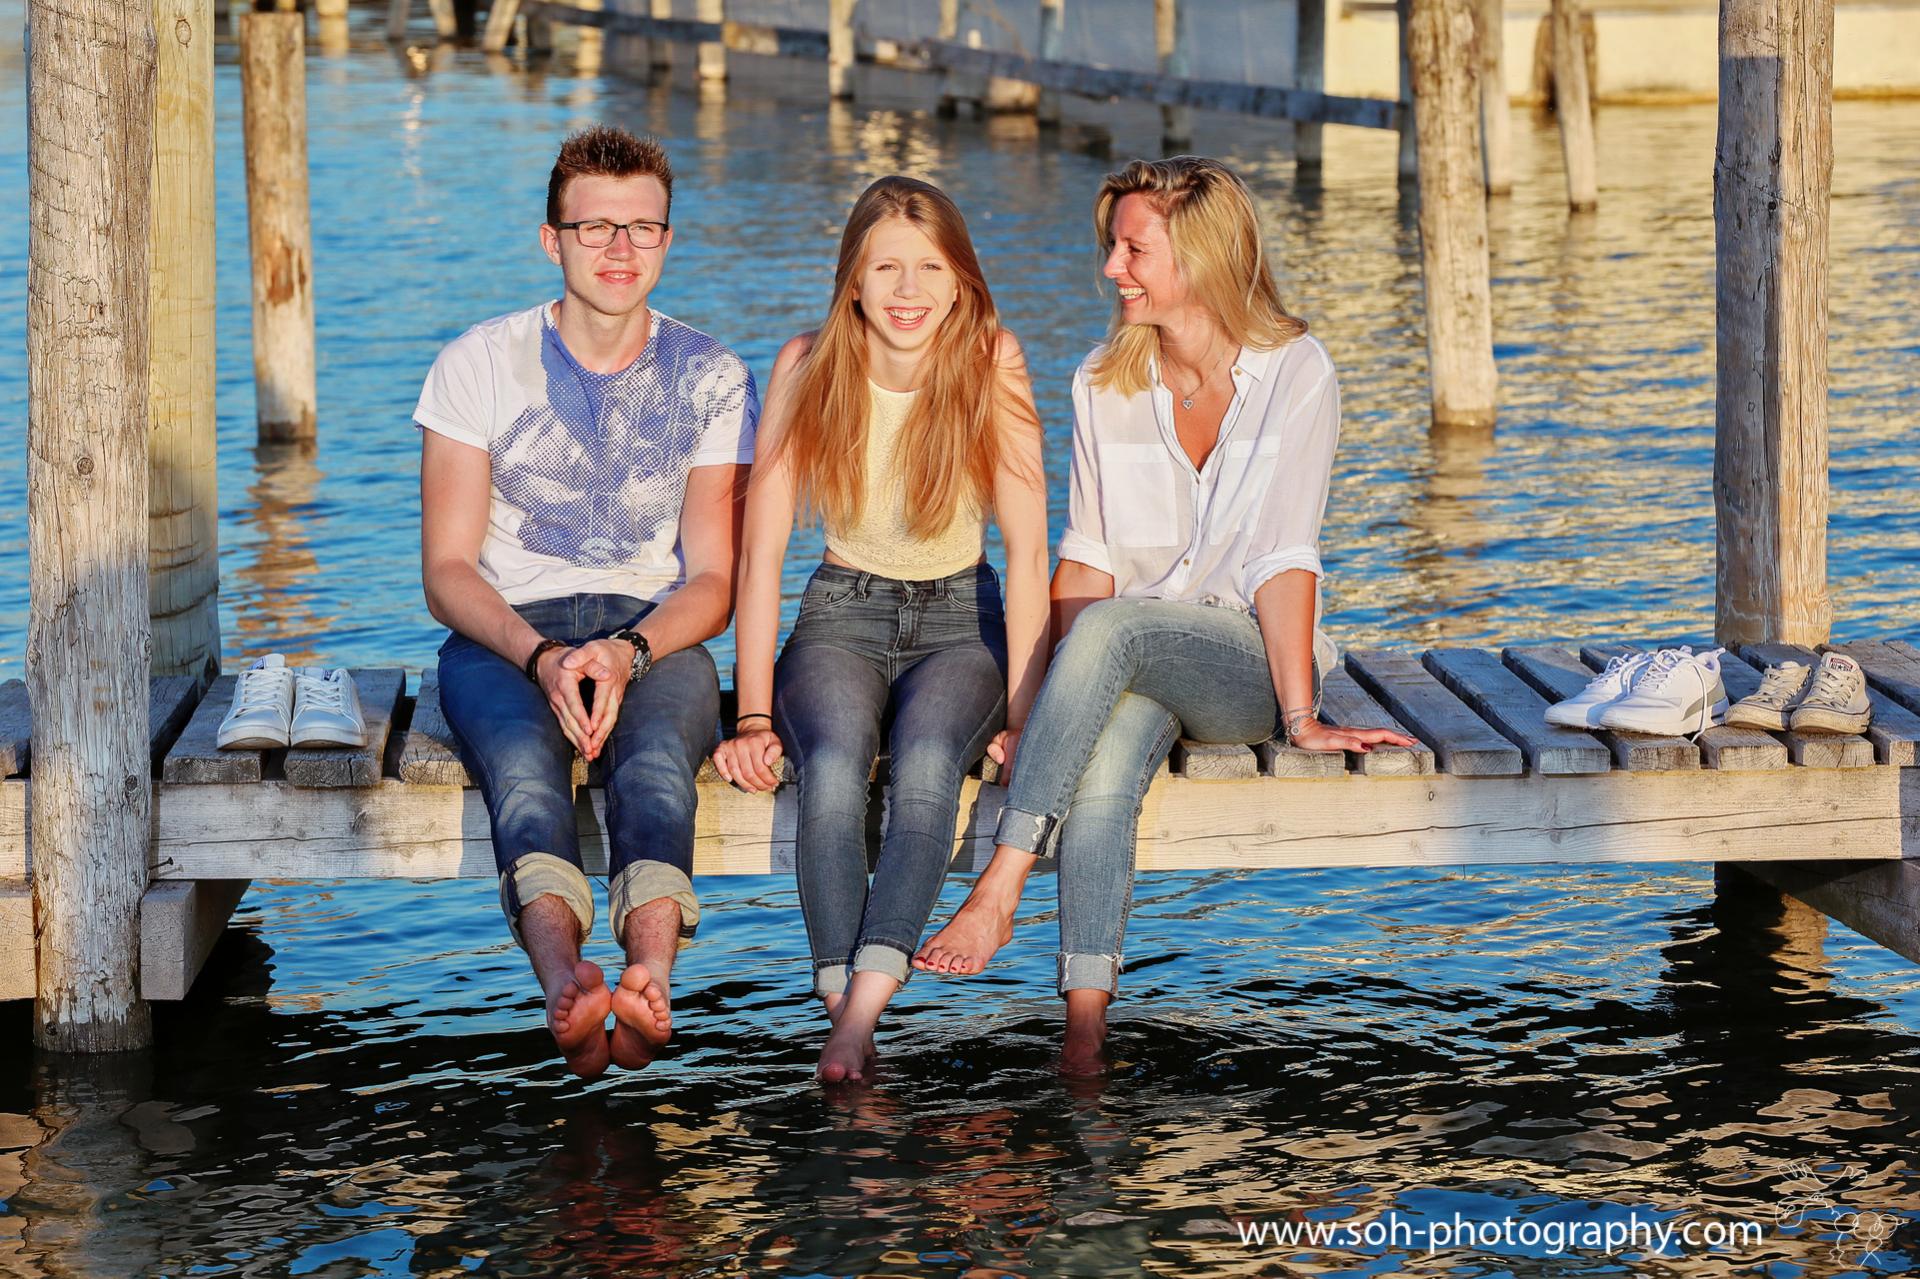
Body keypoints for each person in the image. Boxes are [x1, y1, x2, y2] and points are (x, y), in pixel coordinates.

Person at [912, 157, 1416, 1074]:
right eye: (1114, 246)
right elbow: (1088, 558)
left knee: (1115, 629)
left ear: (1205, 255)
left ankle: (999, 884)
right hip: (1134, 661)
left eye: (1135, 249)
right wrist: (1038, 717)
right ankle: (1084, 1034)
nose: (1113, 268)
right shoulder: (1104, 377)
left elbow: (1284, 553)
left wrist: (1300, 716)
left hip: (1246, 663)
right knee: (1103, 767)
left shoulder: (1296, 372)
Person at [417, 126, 758, 1079]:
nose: (619, 250)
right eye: (595, 228)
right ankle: (567, 986)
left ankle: (648, 982)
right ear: (551, 240)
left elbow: (713, 582)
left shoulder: (714, 376)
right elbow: (447, 570)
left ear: (667, 240)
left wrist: (626, 654)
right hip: (505, 633)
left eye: (642, 228)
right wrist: (540, 657)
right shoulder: (477, 364)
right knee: (526, 775)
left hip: (653, 631)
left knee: (655, 769)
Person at [711, 176, 1049, 1084]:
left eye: (929, 268)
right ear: (851, 279)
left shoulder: (992, 361)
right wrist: (750, 717)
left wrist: (1023, 712)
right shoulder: (805, 365)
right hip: (839, 613)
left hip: (959, 619)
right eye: (884, 266)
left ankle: (853, 1024)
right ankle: (848, 1005)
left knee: (932, 765)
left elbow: (1026, 553)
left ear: (962, 280)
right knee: (829, 771)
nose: (907, 289)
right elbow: (761, 557)